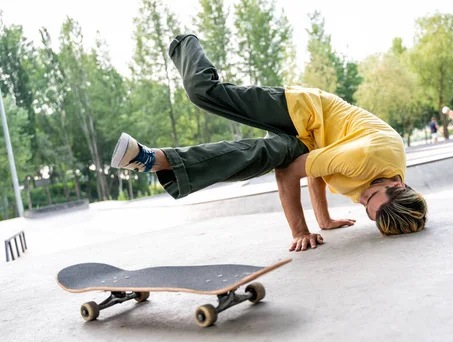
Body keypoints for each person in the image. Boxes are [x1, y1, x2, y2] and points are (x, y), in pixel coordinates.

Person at [111, 34, 428, 251]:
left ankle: (154, 159)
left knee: (260, 155)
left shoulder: (380, 186)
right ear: (397, 184)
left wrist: (324, 220)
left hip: (312, 144)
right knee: (204, 93)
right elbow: (293, 173)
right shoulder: (366, 157)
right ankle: (184, 42)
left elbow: (320, 168)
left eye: (366, 209)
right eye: (370, 196)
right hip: (305, 112)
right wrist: (301, 231)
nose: (362, 199)